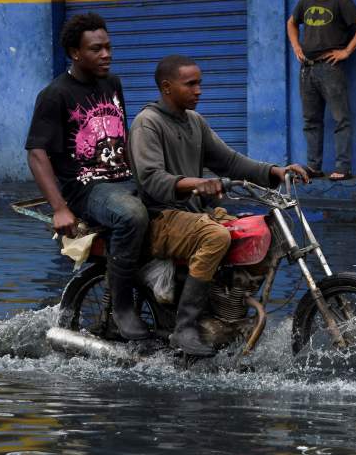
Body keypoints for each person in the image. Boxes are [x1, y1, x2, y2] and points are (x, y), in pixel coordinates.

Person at [129, 54, 309, 357]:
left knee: (260, 229)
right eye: (191, 84)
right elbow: (152, 179)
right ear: (167, 87)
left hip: (190, 214)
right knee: (215, 236)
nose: (199, 90)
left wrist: (274, 172)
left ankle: (229, 310)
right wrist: (196, 184)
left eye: (200, 83)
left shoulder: (194, 122)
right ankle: (185, 326)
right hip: (160, 217)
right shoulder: (148, 123)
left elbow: (229, 161)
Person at [25, 12, 150, 341]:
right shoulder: (55, 95)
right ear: (74, 53)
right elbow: (37, 154)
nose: (106, 54)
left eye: (108, 47)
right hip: (85, 189)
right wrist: (60, 208)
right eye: (96, 49)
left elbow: (121, 138)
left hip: (123, 179)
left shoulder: (112, 83)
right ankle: (123, 306)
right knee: (132, 215)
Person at [286, 0, 356, 181]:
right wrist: (296, 46)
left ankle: (343, 167)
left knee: (340, 119)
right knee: (310, 120)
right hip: (307, 69)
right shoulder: (305, 2)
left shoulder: (340, 1)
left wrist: (347, 51)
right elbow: (291, 22)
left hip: (330, 68)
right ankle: (314, 167)